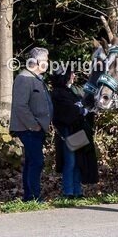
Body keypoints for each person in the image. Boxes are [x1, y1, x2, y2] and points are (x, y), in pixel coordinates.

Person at [10, 47, 53, 202]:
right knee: (36, 161)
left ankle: (30, 196)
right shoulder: (24, 78)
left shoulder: (36, 78)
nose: (47, 64)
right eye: (46, 60)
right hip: (28, 129)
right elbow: (20, 106)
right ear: (37, 62)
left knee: (32, 161)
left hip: (37, 128)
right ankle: (33, 197)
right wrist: (33, 125)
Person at [50, 69, 86, 198]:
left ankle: (77, 190)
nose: (74, 76)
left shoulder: (70, 91)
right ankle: (68, 191)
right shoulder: (58, 93)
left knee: (77, 161)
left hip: (75, 129)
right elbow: (70, 109)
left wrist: (81, 109)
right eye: (71, 74)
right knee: (70, 161)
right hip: (66, 130)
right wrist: (81, 110)